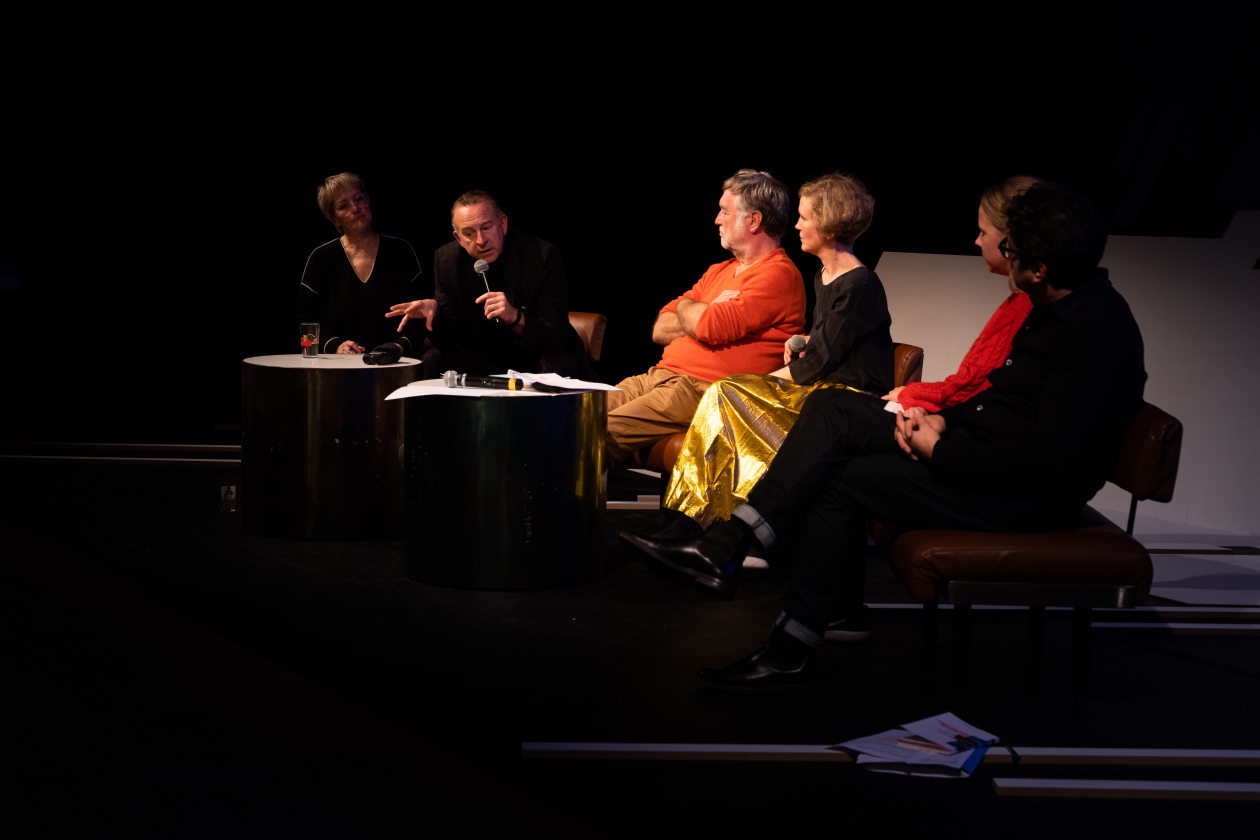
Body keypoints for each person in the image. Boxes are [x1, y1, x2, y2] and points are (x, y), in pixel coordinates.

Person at [626, 182, 1146, 694]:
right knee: (833, 410)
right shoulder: (1051, 306)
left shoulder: (1094, 330)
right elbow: (999, 405)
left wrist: (941, 449)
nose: (989, 249)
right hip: (977, 452)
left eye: (1007, 248)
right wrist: (945, 421)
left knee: (839, 476)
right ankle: (738, 558)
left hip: (1022, 498)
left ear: (1040, 267)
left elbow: (1048, 462)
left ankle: (761, 599)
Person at [636, 173, 892, 560]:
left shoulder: (859, 283)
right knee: (727, 394)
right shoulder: (824, 276)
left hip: (845, 400)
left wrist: (764, 381)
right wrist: (801, 341)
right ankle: (685, 521)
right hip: (820, 390)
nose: (797, 225)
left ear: (827, 226)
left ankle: (702, 528)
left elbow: (821, 364)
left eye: (805, 218)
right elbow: (830, 341)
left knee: (729, 390)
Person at [604, 170, 806, 464]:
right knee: (572, 412)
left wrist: (697, 311)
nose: (717, 219)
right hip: (657, 376)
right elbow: (661, 327)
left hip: (702, 389)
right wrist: (703, 308)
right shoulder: (719, 270)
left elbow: (709, 326)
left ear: (753, 220)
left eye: (725, 211)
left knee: (593, 432)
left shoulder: (778, 274)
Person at [386, 191, 592, 381]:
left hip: (535, 357)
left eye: (486, 228)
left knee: (558, 364)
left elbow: (556, 337)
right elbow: (449, 341)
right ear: (458, 238)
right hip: (484, 357)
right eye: (469, 233)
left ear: (502, 224)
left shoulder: (541, 256)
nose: (481, 240)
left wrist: (515, 318)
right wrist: (435, 312)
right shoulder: (446, 260)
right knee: (433, 358)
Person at [884, 175, 1038, 414]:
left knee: (838, 409)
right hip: (970, 417)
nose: (977, 241)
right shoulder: (1020, 300)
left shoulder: (1026, 305)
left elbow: (970, 388)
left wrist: (912, 394)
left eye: (983, 233)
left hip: (973, 423)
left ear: (1010, 239)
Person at [298, 173, 426, 356]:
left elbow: (421, 312)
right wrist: (336, 346)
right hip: (340, 364)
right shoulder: (320, 258)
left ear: (368, 200)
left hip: (398, 360)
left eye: (359, 199)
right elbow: (306, 323)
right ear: (333, 218)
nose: (355, 208)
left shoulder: (401, 251)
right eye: (343, 206)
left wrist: (398, 346)